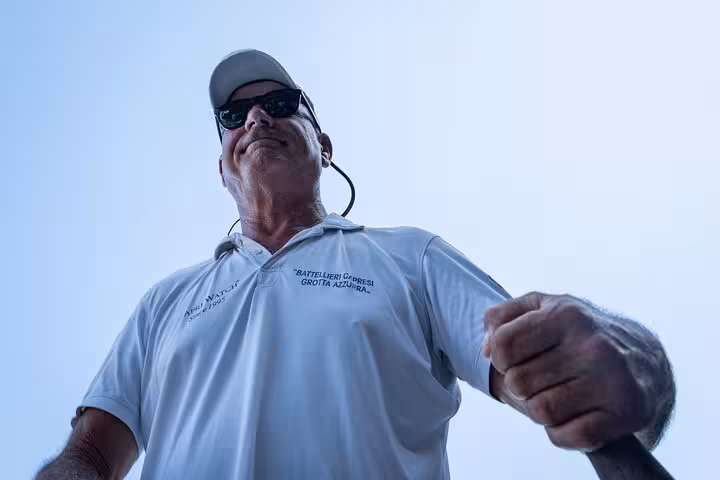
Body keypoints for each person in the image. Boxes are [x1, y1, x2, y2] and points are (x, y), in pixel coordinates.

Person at [36, 49, 676, 479]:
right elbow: (90, 454)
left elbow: (537, 367)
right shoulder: (164, 303)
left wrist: (630, 368)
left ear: (323, 143)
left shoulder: (408, 257)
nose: (257, 116)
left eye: (282, 103)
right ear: (223, 166)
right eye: (234, 116)